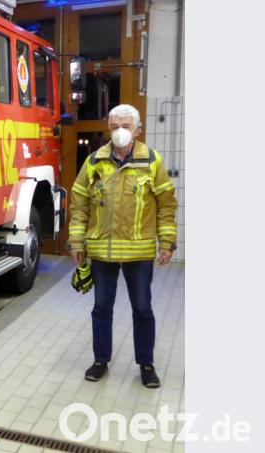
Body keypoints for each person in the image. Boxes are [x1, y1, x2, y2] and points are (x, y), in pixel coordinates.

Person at [68, 104, 177, 388]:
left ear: (137, 130)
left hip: (138, 252)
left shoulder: (151, 160)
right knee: (101, 308)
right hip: (101, 251)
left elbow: (166, 204)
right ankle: (100, 360)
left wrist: (167, 241)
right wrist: (77, 241)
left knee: (142, 308)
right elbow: (79, 205)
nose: (120, 132)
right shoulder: (94, 161)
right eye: (115, 126)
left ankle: (146, 364)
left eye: (125, 127)